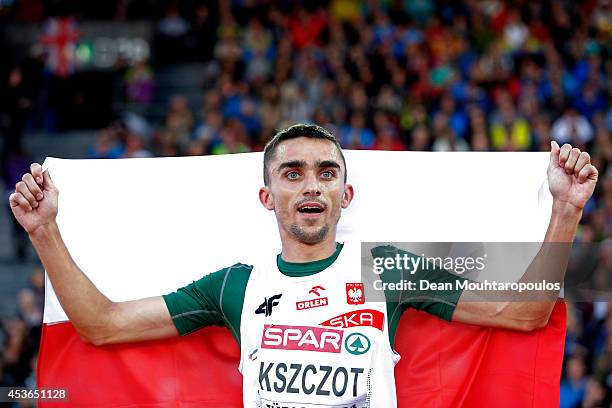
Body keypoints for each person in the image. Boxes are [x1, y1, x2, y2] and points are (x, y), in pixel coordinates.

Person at [8, 124, 599, 407]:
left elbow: (523, 314)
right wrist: (45, 232)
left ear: (347, 195)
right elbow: (102, 324)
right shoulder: (233, 287)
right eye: (292, 173)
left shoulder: (386, 269)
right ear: (268, 198)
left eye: (326, 171)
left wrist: (566, 209)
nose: (311, 184)